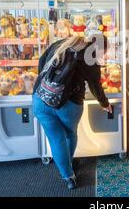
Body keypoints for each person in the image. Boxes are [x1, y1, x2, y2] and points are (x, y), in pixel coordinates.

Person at [32, 35, 112, 189]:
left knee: (56, 140)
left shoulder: (61, 44)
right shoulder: (90, 58)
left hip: (41, 99)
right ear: (101, 48)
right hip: (69, 104)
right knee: (70, 134)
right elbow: (95, 85)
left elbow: (42, 63)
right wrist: (104, 103)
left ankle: (68, 176)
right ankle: (68, 165)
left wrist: (49, 85)